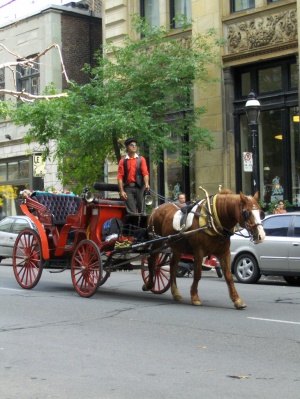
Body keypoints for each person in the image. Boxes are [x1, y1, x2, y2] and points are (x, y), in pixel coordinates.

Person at [117, 138, 150, 214]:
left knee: (141, 209)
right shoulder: (123, 161)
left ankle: (142, 224)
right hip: (128, 188)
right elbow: (120, 177)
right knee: (132, 211)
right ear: (127, 147)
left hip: (140, 187)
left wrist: (147, 183)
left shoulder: (141, 159)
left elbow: (145, 173)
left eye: (135, 145)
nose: (134, 147)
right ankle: (133, 224)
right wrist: (122, 191)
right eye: (132, 145)